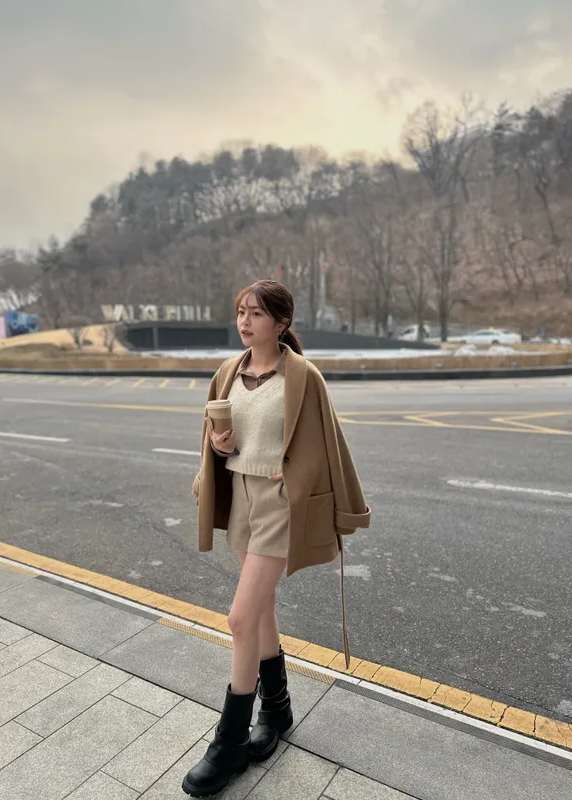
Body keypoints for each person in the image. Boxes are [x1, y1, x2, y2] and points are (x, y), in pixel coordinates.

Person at [182, 280, 371, 798]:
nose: (245, 322)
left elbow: (327, 444)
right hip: (241, 498)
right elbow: (219, 442)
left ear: (281, 323)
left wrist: (300, 481)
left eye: (257, 314)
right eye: (241, 312)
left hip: (279, 505)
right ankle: (277, 709)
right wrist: (220, 445)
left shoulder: (302, 375)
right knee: (261, 608)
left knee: (240, 618)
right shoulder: (229, 371)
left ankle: (229, 743)